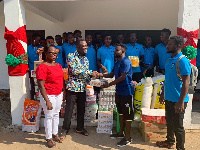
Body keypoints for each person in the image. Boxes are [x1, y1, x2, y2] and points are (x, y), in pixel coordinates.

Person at [94, 44, 134, 147]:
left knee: (128, 115)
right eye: (115, 50)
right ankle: (121, 133)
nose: (114, 52)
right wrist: (100, 75)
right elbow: (112, 74)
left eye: (117, 50)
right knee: (120, 113)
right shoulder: (117, 62)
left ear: (123, 51)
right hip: (119, 92)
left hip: (127, 92)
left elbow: (122, 77)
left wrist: (109, 84)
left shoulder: (125, 62)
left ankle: (128, 137)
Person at [156, 36, 191, 150]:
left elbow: (186, 82)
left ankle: (180, 148)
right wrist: (162, 93)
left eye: (170, 44)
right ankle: (169, 141)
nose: (167, 46)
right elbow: (167, 79)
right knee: (169, 122)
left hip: (178, 100)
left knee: (178, 127)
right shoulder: (169, 60)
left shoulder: (183, 61)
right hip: (169, 98)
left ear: (178, 46)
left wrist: (180, 102)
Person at [62, 39, 94, 136]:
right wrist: (90, 73)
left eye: (86, 46)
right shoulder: (71, 56)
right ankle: (64, 130)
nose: (86, 48)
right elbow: (74, 71)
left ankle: (80, 128)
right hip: (72, 88)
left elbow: (86, 75)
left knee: (81, 109)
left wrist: (92, 77)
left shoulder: (86, 59)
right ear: (77, 47)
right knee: (69, 110)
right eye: (83, 46)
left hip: (82, 88)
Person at [36, 46, 65, 148]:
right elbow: (41, 85)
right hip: (48, 95)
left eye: (55, 53)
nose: (54, 55)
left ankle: (55, 134)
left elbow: (62, 80)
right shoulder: (42, 67)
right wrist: (47, 100)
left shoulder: (58, 65)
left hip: (58, 94)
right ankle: (48, 138)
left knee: (56, 114)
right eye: (51, 53)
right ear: (46, 54)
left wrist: (63, 92)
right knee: (49, 116)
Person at [27, 33, 42, 100]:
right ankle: (33, 100)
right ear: (33, 40)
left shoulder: (41, 48)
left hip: (40, 70)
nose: (39, 42)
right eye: (38, 40)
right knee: (33, 86)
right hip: (32, 70)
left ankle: (40, 99)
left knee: (40, 85)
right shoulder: (28, 48)